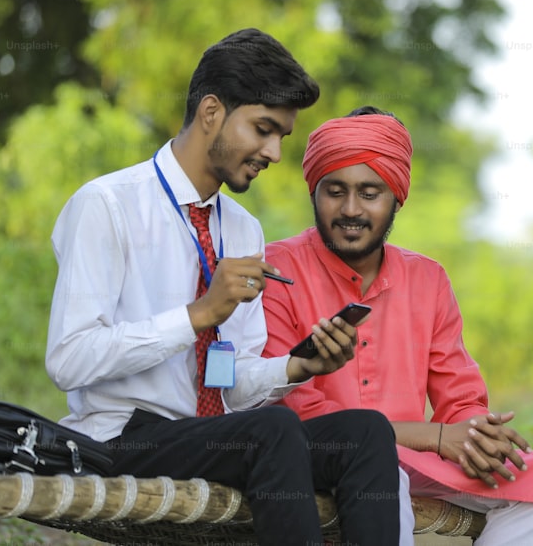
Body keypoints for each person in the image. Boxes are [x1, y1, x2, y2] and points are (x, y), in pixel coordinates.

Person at [45, 31, 401, 546]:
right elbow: (68, 359)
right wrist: (197, 314)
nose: (275, 152)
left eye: (282, 135)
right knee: (271, 432)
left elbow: (230, 385)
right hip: (122, 436)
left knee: (366, 432)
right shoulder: (107, 205)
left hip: (215, 436)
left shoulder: (240, 228)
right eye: (263, 129)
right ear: (211, 111)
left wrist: (300, 367)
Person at [260, 107, 533, 546]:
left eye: (369, 193)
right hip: (321, 456)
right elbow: (294, 410)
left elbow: (460, 394)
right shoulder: (277, 269)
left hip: (417, 455)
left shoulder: (427, 278)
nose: (350, 209)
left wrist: (476, 435)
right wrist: (438, 436)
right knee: (383, 474)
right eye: (335, 191)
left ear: (396, 198)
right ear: (314, 192)